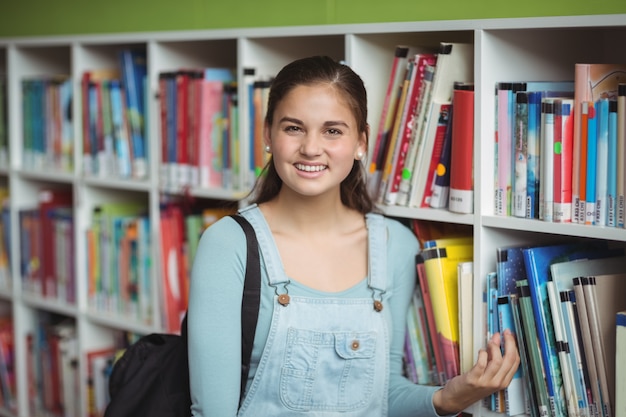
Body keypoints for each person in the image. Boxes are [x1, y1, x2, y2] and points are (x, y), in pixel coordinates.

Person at [187, 55, 520, 416]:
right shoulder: (228, 244)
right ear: (268, 134)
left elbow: (381, 395)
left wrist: (446, 398)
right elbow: (212, 411)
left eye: (333, 131)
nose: (311, 148)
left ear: (361, 141)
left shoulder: (395, 245)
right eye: (293, 128)